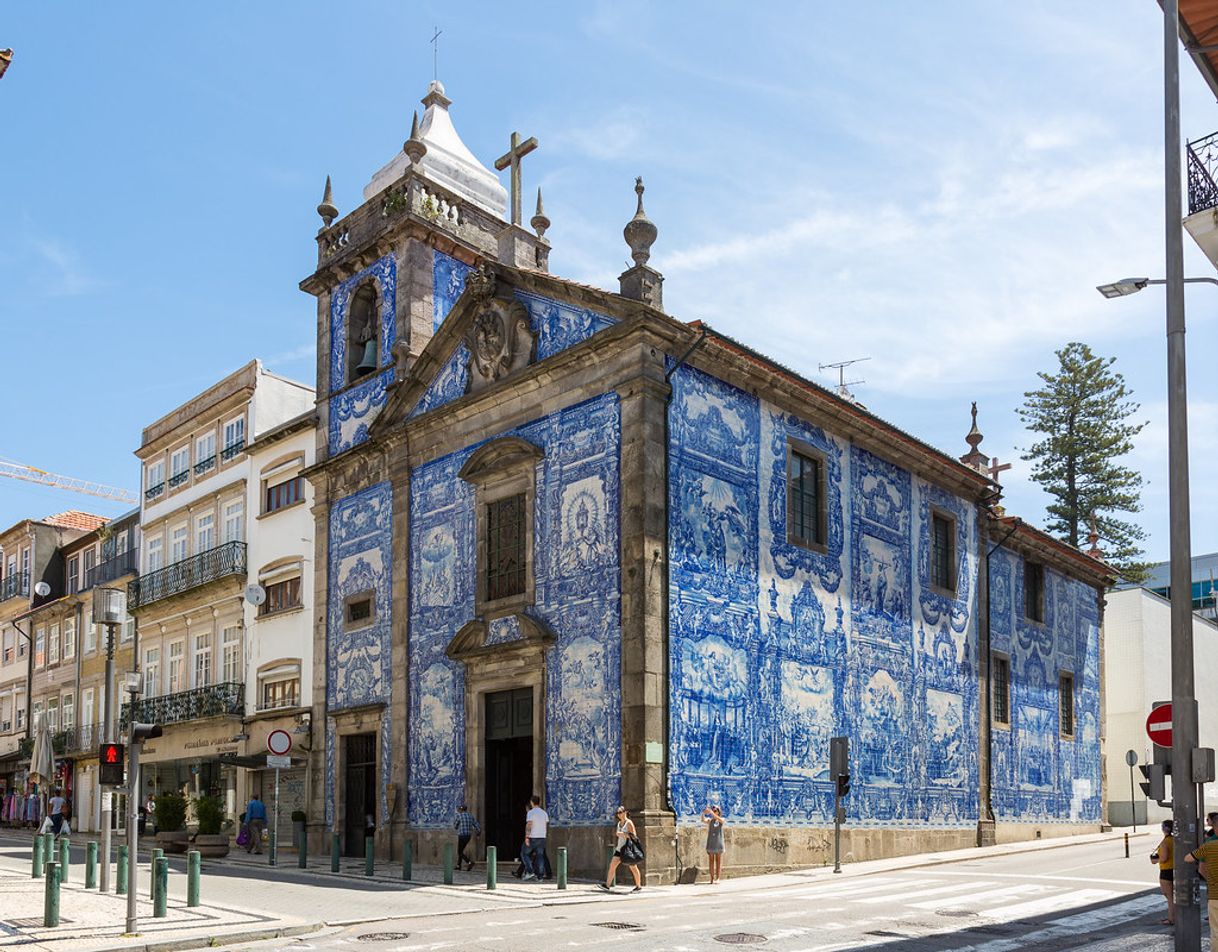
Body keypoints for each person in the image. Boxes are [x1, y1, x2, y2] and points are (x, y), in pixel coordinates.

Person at [600, 805, 642, 893]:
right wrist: (619, 834)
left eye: (620, 812)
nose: (618, 815)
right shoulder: (619, 823)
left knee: (633, 867)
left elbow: (634, 836)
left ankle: (638, 886)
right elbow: (617, 833)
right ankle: (607, 885)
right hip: (619, 849)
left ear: (625, 812)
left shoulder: (629, 823)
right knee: (612, 865)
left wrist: (623, 834)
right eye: (617, 813)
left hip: (628, 849)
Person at [1151, 819, 1175, 926]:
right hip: (1174, 869)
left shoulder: (1165, 842)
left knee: (1169, 896)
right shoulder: (1174, 840)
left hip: (1166, 870)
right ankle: (1173, 917)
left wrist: (1155, 860)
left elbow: (1164, 858)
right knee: (1171, 896)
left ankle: (1171, 918)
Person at [522, 795, 549, 881]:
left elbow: (529, 825)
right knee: (540, 856)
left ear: (531, 802)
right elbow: (545, 825)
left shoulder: (531, 812)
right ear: (539, 802)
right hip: (542, 837)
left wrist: (526, 836)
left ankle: (530, 871)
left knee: (524, 853)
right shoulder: (544, 813)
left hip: (533, 837)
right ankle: (540, 877)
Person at [702, 805, 726, 883]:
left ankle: (718, 878)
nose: (714, 811)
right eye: (713, 810)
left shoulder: (721, 819)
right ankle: (712, 878)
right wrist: (703, 813)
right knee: (711, 860)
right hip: (711, 841)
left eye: (716, 810)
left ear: (719, 812)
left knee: (718, 860)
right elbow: (703, 820)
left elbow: (721, 820)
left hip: (718, 841)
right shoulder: (710, 820)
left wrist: (712, 813)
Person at [454, 804, 480, 871]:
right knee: (461, 851)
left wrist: (457, 826)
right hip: (468, 836)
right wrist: (478, 834)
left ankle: (469, 862)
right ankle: (458, 865)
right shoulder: (470, 816)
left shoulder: (459, 816)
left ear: (461, 810)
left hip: (462, 835)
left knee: (459, 852)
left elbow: (455, 826)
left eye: (459, 809)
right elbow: (477, 825)